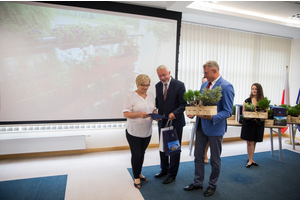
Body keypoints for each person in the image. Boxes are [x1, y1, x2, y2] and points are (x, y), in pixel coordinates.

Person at [184, 61, 235, 197]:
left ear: (214, 71)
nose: (204, 75)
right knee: (198, 156)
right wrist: (193, 112)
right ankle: (198, 182)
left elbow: (228, 111)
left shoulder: (226, 86)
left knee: (215, 160)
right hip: (200, 126)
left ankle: (212, 185)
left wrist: (211, 117)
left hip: (215, 128)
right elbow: (201, 106)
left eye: (206, 72)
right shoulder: (204, 85)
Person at [123, 74, 157, 189]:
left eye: (147, 85)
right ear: (137, 84)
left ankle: (139, 172)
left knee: (142, 154)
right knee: (136, 154)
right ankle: (136, 177)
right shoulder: (131, 96)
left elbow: (153, 108)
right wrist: (139, 114)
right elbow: (125, 113)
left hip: (147, 131)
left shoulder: (151, 95)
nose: (145, 87)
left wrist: (155, 113)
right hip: (133, 131)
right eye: (143, 85)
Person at [154, 65, 186, 184]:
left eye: (164, 75)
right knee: (162, 148)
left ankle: (172, 174)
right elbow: (158, 103)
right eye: (160, 76)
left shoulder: (179, 85)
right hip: (162, 121)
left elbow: (183, 105)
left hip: (175, 122)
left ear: (169, 72)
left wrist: (174, 113)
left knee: (173, 149)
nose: (162, 78)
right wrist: (155, 112)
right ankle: (164, 169)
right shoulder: (157, 86)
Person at [240, 83, 266, 168]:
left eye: (255, 89)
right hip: (248, 123)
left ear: (259, 90)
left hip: (258, 124)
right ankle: (250, 160)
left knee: (254, 141)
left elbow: (266, 112)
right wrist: (245, 116)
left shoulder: (263, 101)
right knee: (249, 142)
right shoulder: (247, 100)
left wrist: (264, 118)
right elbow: (243, 112)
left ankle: (250, 158)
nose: (254, 90)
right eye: (253, 89)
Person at [202, 77, 209, 164]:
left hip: (211, 121)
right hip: (201, 121)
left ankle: (205, 154)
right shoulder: (201, 94)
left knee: (208, 140)